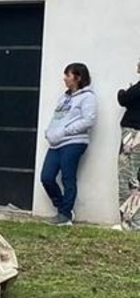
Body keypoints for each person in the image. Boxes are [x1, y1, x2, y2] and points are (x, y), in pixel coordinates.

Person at [41, 62, 97, 226]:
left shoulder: (88, 97)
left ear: (78, 78)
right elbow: (57, 117)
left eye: (68, 75)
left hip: (73, 142)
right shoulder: (64, 98)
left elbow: (89, 120)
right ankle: (63, 208)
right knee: (47, 177)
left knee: (68, 178)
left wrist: (65, 131)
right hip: (56, 143)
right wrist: (49, 131)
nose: (64, 78)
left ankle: (65, 215)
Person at [116, 58, 140, 230]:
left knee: (128, 175)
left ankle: (129, 222)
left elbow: (124, 98)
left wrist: (123, 91)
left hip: (133, 134)